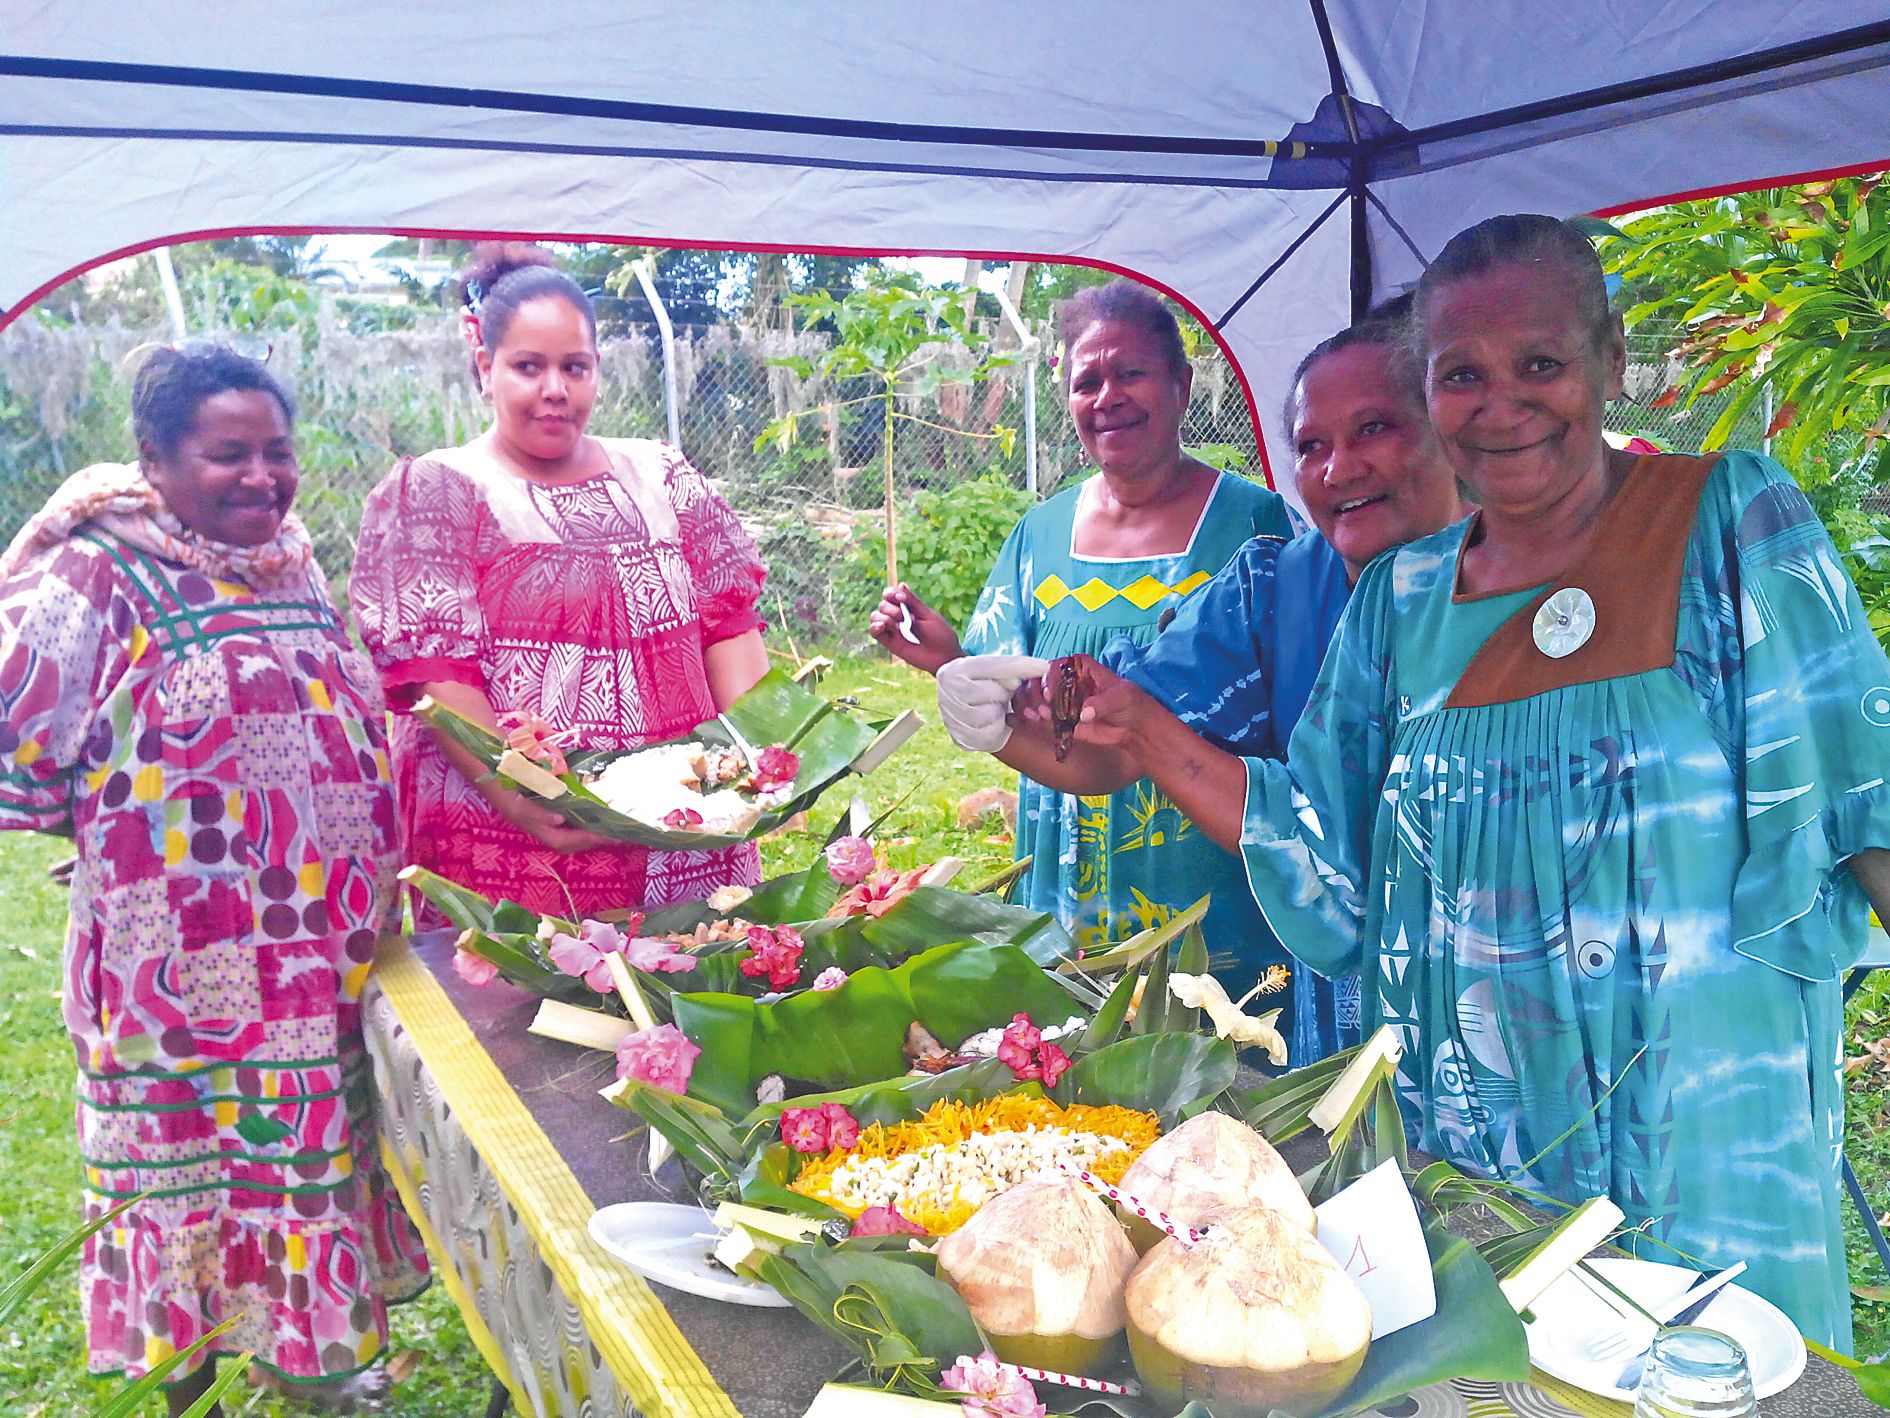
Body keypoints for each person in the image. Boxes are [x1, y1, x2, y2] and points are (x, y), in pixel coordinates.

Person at [1213, 214, 1889, 1347]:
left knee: (1718, 1375)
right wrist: (1139, 734)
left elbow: (1858, 782)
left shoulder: (1726, 518)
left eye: (1541, 363)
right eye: (1462, 375)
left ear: (1611, 362)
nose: (1502, 402)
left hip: (1704, 1143)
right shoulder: (1400, 601)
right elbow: (1325, 849)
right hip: (1476, 1150)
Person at [0, 345, 430, 1414]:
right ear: (156, 457)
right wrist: (124, 831)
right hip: (177, 954)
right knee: (185, 1154)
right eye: (226, 454)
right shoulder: (98, 563)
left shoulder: (294, 561)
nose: (261, 478)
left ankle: (317, 1364)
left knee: (302, 1144)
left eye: (277, 453)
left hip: (312, 949)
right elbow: (22, 730)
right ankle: (183, 1358)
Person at [936, 305, 1466, 1063]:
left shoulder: (1532, 592)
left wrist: (1145, 732)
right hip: (1339, 1033)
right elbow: (1115, 747)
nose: (1339, 468)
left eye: (1376, 429)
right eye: (1312, 445)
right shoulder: (1272, 592)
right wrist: (1000, 722)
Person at [872, 280, 1291, 969]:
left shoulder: (1251, 524)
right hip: (1064, 856)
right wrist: (948, 657)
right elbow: (1015, 693)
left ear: (1182, 386)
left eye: (1130, 374)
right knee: (1073, 1044)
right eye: (1086, 381)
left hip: (1201, 868)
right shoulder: (1040, 533)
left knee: (1212, 1037)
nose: (1107, 398)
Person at [352, 244, 770, 924]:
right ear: (485, 368)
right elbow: (437, 676)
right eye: (528, 367)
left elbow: (729, 627)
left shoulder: (662, 475)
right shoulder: (435, 491)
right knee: (536, 1019)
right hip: (522, 843)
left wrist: (758, 771)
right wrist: (532, 800)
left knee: (701, 1001)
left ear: (597, 371)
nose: (555, 389)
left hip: (692, 836)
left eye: (574, 367)